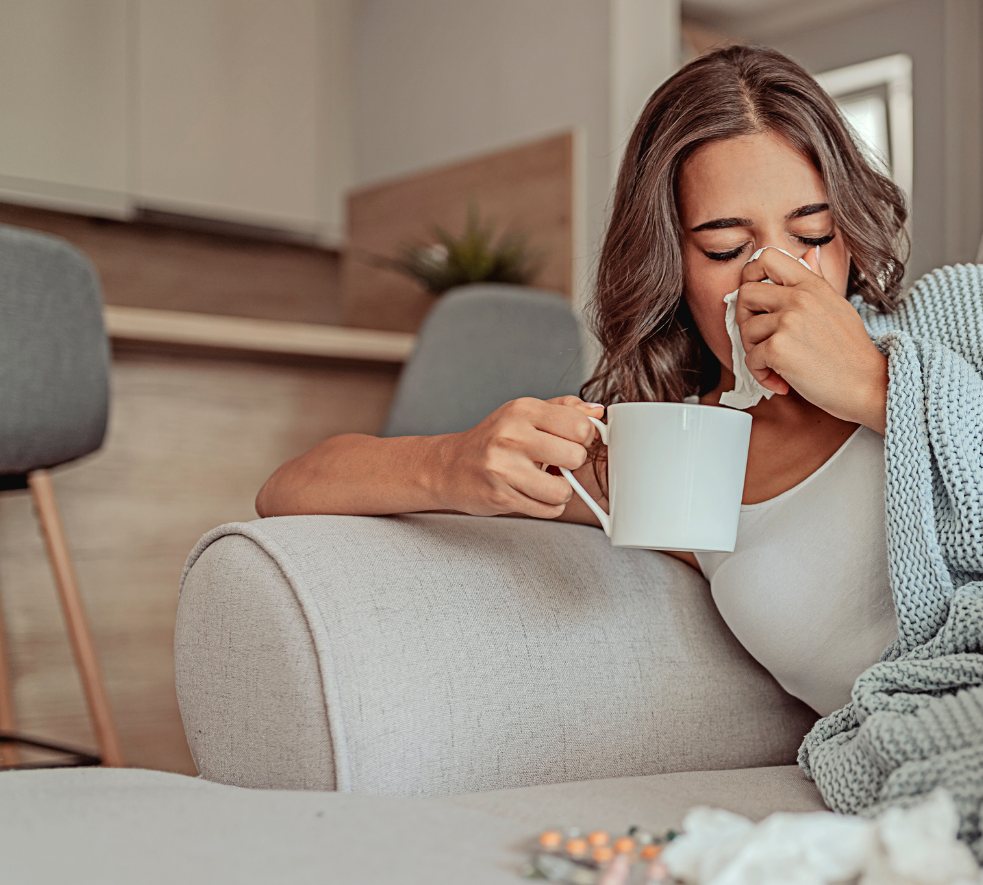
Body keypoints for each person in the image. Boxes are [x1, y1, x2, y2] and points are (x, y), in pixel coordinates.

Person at [255, 44, 907, 716]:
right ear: (672, 265)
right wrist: (453, 461)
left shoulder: (950, 338)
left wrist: (874, 387)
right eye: (725, 248)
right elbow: (288, 489)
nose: (777, 277)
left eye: (814, 233)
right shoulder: (677, 451)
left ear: (851, 234)